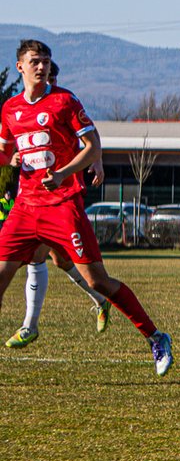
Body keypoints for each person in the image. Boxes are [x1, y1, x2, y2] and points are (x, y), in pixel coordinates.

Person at [0, 39, 172, 374]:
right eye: (34, 61)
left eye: (45, 61)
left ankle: (156, 337)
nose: (41, 67)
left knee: (97, 281)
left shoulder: (64, 101)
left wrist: (62, 174)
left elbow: (92, 147)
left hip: (63, 205)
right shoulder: (10, 109)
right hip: (25, 207)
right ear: (20, 66)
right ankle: (30, 326)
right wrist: (11, 157)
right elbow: (5, 153)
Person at [7, 60, 112, 348]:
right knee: (59, 259)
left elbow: (91, 138)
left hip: (63, 193)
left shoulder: (64, 103)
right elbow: (19, 143)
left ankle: (30, 325)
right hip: (33, 195)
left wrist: (98, 162)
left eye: (50, 76)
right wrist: (13, 157)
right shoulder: (20, 107)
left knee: (40, 256)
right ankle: (100, 300)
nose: (46, 80)